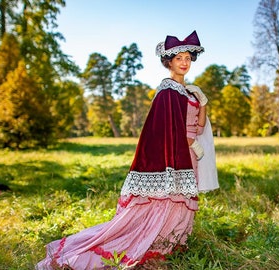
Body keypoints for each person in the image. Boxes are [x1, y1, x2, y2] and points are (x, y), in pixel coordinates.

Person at [36, 30, 218, 270]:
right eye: (178, 58)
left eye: (187, 58)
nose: (184, 62)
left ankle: (173, 243)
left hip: (189, 156)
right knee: (164, 200)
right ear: (169, 62)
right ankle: (152, 243)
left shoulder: (187, 91)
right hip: (176, 155)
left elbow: (200, 125)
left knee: (181, 200)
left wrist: (203, 102)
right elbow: (167, 130)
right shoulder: (168, 90)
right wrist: (189, 142)